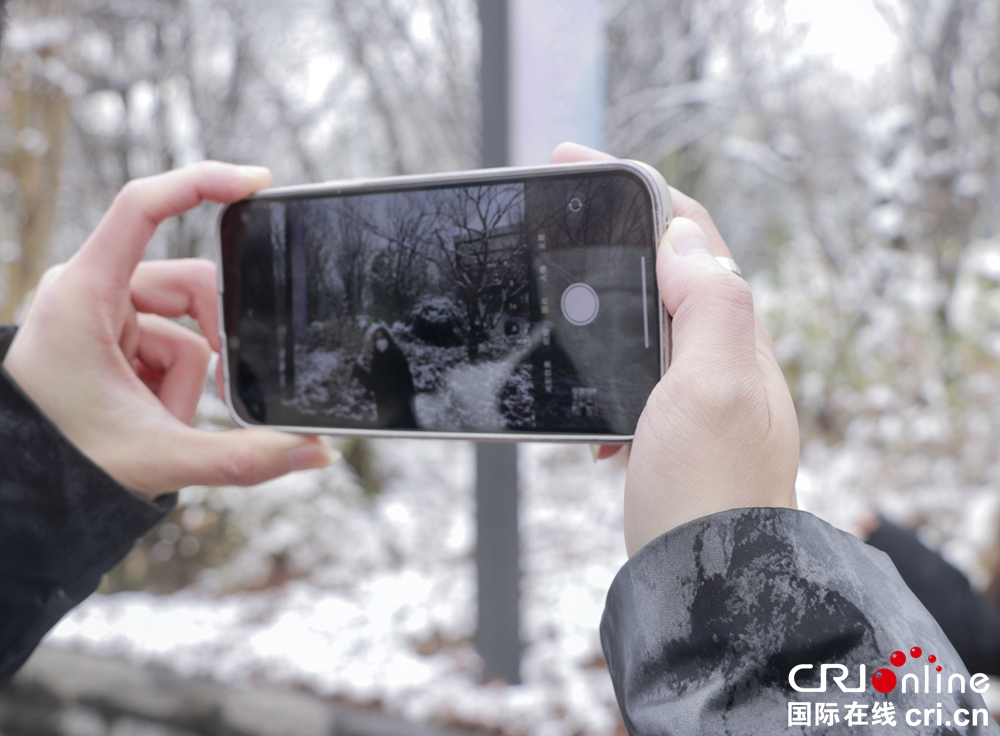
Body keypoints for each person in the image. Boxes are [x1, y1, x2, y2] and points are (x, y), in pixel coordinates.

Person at [352, 327, 418, 429]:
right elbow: (372, 384)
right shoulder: (376, 359)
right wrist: (357, 370)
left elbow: (407, 382)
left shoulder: (397, 355)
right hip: (385, 409)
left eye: (382, 337)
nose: (380, 341)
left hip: (400, 406)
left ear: (387, 338)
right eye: (377, 339)